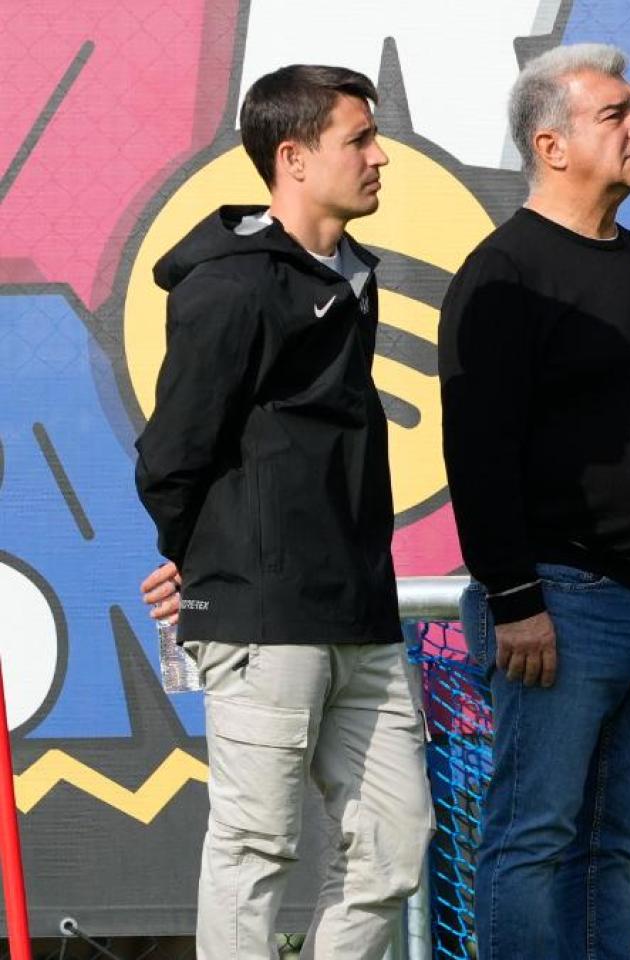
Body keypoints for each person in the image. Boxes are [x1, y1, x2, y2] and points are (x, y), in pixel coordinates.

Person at [134, 64, 431, 960]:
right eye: (360, 140)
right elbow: (173, 453)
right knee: (256, 846)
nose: (380, 158)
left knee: (396, 843)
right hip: (262, 617)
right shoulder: (230, 285)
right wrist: (200, 558)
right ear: (294, 158)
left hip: (360, 616)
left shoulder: (349, 275)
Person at [437, 43, 630, 959]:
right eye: (616, 114)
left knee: (615, 849)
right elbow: (479, 451)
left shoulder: (626, 253)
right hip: (560, 606)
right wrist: (517, 598)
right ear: (551, 146)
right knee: (533, 842)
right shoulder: (506, 273)